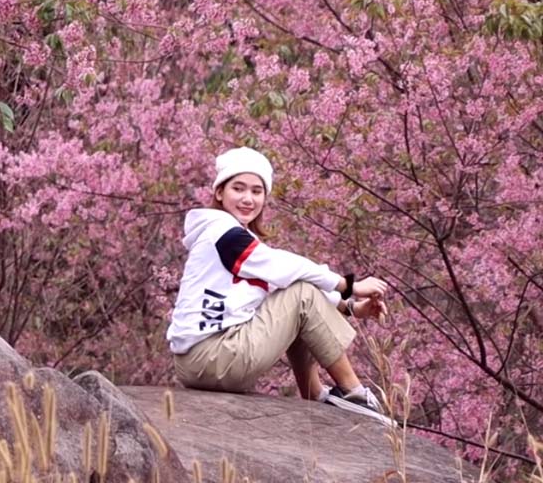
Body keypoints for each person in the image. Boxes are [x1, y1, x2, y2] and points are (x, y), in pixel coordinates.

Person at [166, 147, 393, 424]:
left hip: (199, 361)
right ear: (219, 192)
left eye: (257, 191)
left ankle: (316, 394)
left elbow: (280, 285)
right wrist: (348, 285)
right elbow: (286, 270)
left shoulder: (228, 234)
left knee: (296, 296)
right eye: (238, 188)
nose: (248, 198)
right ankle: (353, 393)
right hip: (214, 358)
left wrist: (349, 307)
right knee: (301, 296)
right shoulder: (224, 234)